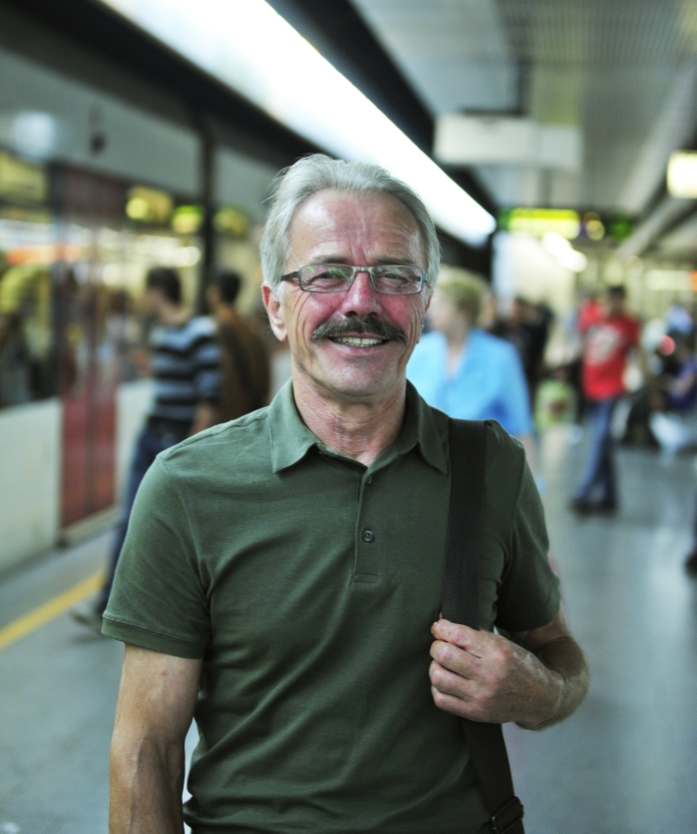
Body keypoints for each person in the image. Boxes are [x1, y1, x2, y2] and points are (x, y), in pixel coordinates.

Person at [103, 155, 589, 834]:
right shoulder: (186, 488)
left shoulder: (490, 469)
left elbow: (560, 656)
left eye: (394, 275)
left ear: (422, 305)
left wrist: (533, 691)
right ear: (276, 307)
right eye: (326, 274)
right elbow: (145, 752)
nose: (361, 302)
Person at [71, 266, 221, 631]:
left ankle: (182, 606)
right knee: (129, 519)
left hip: (177, 439)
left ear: (158, 291)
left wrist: (191, 448)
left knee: (178, 528)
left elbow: (209, 397)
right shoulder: (158, 330)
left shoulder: (200, 332)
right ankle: (107, 602)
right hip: (151, 435)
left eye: (147, 292)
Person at [407, 266, 536, 467]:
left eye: (440, 303)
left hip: (486, 474)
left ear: (463, 312)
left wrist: (531, 490)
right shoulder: (418, 351)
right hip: (426, 472)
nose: (431, 310)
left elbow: (521, 428)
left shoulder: (501, 357)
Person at [570, 285, 640, 514]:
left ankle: (583, 491)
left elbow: (639, 354)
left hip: (612, 389)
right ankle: (610, 497)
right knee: (604, 445)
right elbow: (579, 345)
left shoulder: (628, 324)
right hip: (591, 388)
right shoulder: (590, 316)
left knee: (600, 440)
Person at [206, 269, 271, 420]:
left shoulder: (213, 329)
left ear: (215, 292)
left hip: (222, 416)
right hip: (247, 415)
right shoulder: (251, 331)